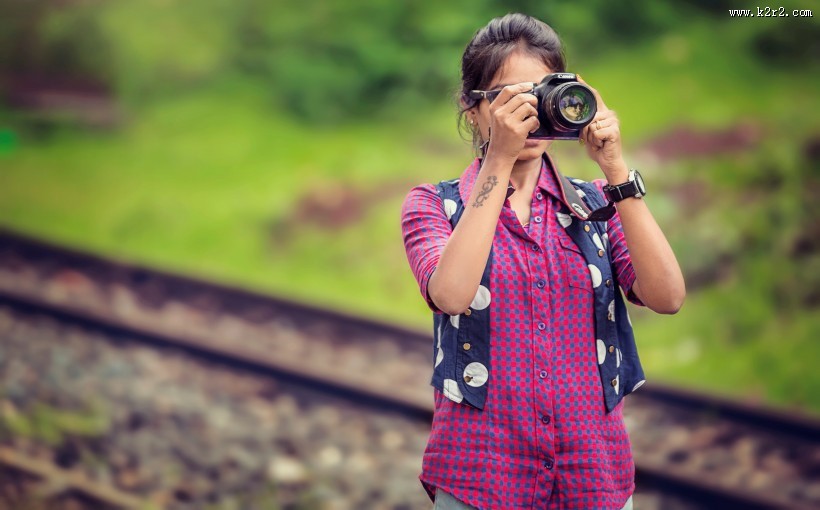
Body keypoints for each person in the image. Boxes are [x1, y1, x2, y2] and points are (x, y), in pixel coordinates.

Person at [400, 13, 686, 510]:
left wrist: (615, 168)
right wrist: (499, 161)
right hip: (480, 476)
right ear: (473, 110)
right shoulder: (432, 205)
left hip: (592, 474)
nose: (531, 113)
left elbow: (667, 296)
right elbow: (451, 294)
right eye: (512, 98)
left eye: (543, 93)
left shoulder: (596, 203)